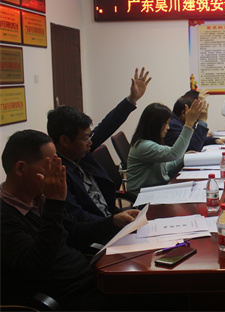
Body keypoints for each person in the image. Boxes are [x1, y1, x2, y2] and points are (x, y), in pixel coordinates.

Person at [0, 130, 139, 310]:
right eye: (50, 165)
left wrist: (113, 222)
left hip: (90, 279)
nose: (58, 172)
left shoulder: (39, 199)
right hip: (67, 298)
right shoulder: (6, 216)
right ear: (20, 169)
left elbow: (75, 231)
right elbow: (37, 266)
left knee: (157, 287)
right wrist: (54, 203)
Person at [47, 67, 151, 223]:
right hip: (101, 230)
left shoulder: (80, 151)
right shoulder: (58, 175)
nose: (90, 142)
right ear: (65, 141)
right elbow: (79, 218)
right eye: (85, 138)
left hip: (111, 218)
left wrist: (132, 99)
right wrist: (113, 222)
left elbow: (107, 126)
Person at [126, 99, 204, 195]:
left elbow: (165, 167)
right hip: (142, 195)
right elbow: (174, 154)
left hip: (154, 189)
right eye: (166, 123)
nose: (168, 127)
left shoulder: (148, 143)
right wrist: (189, 124)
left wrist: (183, 158)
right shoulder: (143, 146)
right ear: (155, 125)